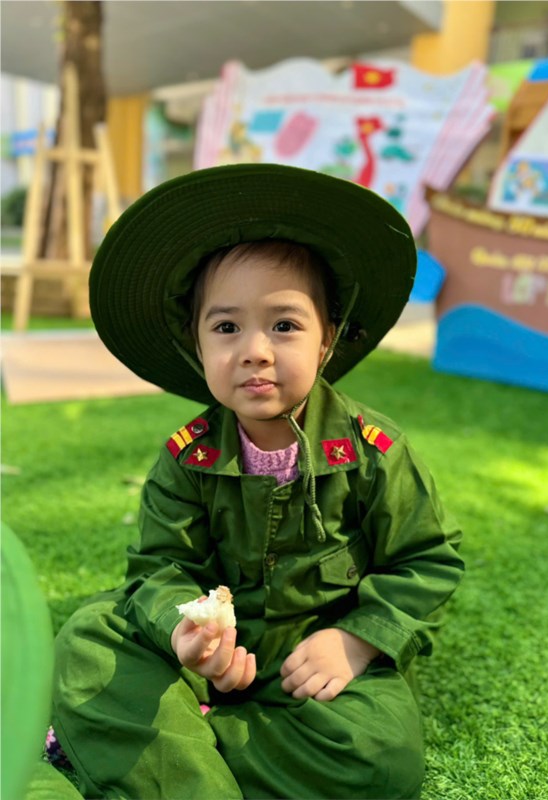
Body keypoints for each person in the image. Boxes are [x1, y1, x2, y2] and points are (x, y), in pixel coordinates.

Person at [51, 163, 464, 800]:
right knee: (90, 636)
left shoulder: (373, 451)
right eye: (226, 327)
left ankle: (176, 748)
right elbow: (161, 568)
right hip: (209, 662)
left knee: (382, 760)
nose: (255, 350)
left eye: (284, 325)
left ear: (326, 340)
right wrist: (185, 635)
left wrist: (355, 642)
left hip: (316, 666)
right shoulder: (186, 456)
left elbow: (427, 561)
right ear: (197, 346)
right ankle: (188, 745)